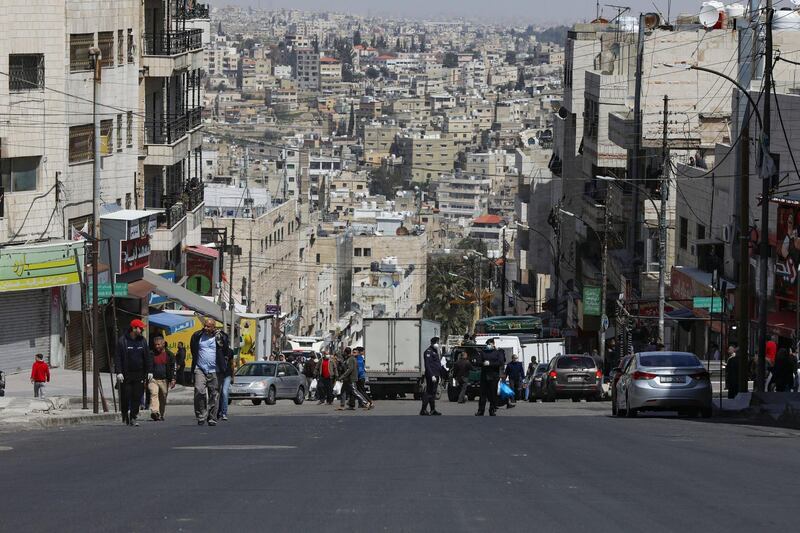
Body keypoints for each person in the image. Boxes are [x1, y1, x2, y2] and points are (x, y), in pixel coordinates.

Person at [190, 318, 230, 426]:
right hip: (200, 368)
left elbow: (226, 348)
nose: (206, 328)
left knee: (214, 394)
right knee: (199, 390)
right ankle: (201, 415)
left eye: (208, 326)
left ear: (214, 327)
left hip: (215, 370)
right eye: (205, 326)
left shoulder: (219, 337)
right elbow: (193, 350)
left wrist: (220, 336)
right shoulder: (197, 336)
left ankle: (212, 417)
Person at [115, 319, 152, 426]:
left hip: (139, 374)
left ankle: (133, 417)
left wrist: (149, 371)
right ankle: (125, 412)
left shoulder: (143, 341)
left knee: (137, 396)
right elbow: (117, 357)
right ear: (134, 328)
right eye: (140, 328)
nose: (142, 330)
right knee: (126, 396)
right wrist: (119, 372)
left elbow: (147, 357)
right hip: (126, 374)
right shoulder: (122, 341)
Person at [148, 336, 175, 421]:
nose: (157, 346)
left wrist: (173, 379)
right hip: (153, 379)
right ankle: (155, 412)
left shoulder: (169, 354)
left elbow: (172, 367)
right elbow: (148, 365)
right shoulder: (151, 354)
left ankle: (160, 414)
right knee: (154, 393)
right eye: (155, 345)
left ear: (163, 344)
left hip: (164, 379)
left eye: (159, 344)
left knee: (163, 397)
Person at [476, 339, 504, 416]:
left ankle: (492, 409)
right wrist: (483, 363)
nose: (489, 345)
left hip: (494, 376)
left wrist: (490, 363)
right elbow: (478, 362)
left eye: (490, 343)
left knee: (493, 394)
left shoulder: (498, 352)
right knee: (482, 394)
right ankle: (481, 410)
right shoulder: (482, 352)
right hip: (484, 376)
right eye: (487, 344)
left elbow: (501, 362)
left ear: (493, 344)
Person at [420, 337, 443, 416]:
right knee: (428, 393)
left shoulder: (435, 351)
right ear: (433, 343)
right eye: (436, 342)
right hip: (431, 375)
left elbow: (437, 364)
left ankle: (433, 410)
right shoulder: (428, 352)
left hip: (436, 375)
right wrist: (432, 375)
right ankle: (423, 410)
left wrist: (440, 375)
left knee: (433, 393)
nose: (438, 344)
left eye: (438, 342)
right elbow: (427, 365)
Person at [217, 345, 235, 422]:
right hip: (219, 374)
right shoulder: (218, 351)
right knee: (219, 393)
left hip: (227, 374)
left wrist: (233, 376)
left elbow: (231, 364)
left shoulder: (230, 351)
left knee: (224, 392)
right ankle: (219, 411)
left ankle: (224, 413)